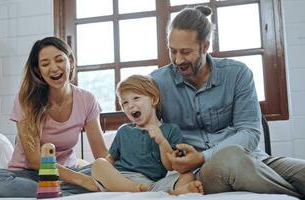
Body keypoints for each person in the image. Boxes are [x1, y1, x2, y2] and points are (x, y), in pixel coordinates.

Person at [150, 5, 305, 198]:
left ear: (205, 46)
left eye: (186, 52)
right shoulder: (157, 82)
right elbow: (145, 129)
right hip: (201, 172)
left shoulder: (237, 74)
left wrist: (203, 155)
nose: (178, 59)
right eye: (173, 51)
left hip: (253, 160)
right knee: (231, 158)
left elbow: (250, 133)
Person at [0, 37, 108, 197]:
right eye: (45, 64)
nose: (54, 68)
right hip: (30, 174)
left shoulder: (87, 99)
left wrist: (116, 170)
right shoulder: (26, 99)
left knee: (101, 171)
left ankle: (51, 194)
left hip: (67, 174)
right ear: (38, 71)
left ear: (70, 61)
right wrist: (82, 181)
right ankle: (59, 194)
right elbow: (35, 160)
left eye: (59, 60)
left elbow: (101, 154)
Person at [91, 75, 203, 195]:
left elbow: (171, 166)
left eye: (136, 98)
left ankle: (170, 194)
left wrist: (161, 141)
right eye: (125, 102)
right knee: (98, 164)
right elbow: (111, 159)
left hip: (152, 183)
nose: (130, 105)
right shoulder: (124, 131)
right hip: (122, 179)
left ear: (154, 100)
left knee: (187, 175)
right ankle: (137, 190)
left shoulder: (171, 130)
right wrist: (103, 169)